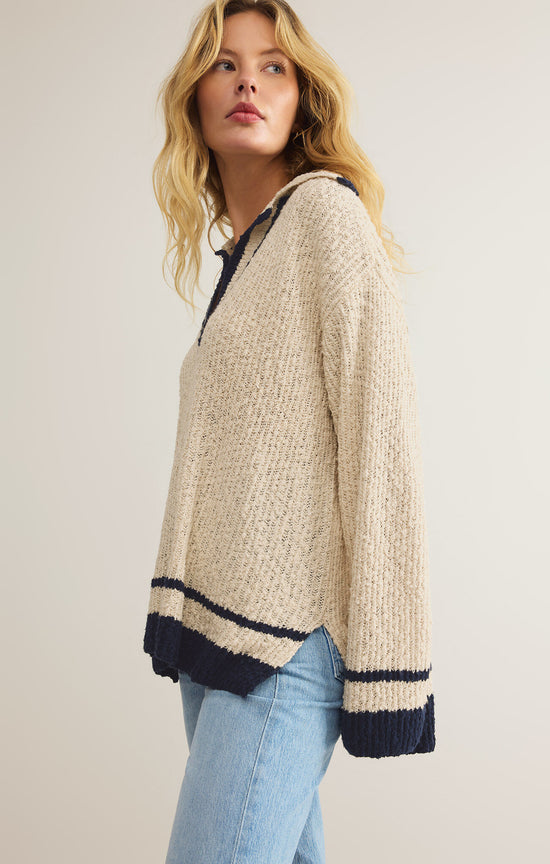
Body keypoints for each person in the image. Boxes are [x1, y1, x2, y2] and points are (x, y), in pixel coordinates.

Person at [142, 1, 436, 861]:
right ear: (195, 95)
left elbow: (384, 447)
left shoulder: (323, 219)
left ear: (303, 96)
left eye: (273, 66)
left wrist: (390, 671)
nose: (248, 83)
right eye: (225, 64)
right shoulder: (250, 255)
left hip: (285, 648)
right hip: (218, 642)